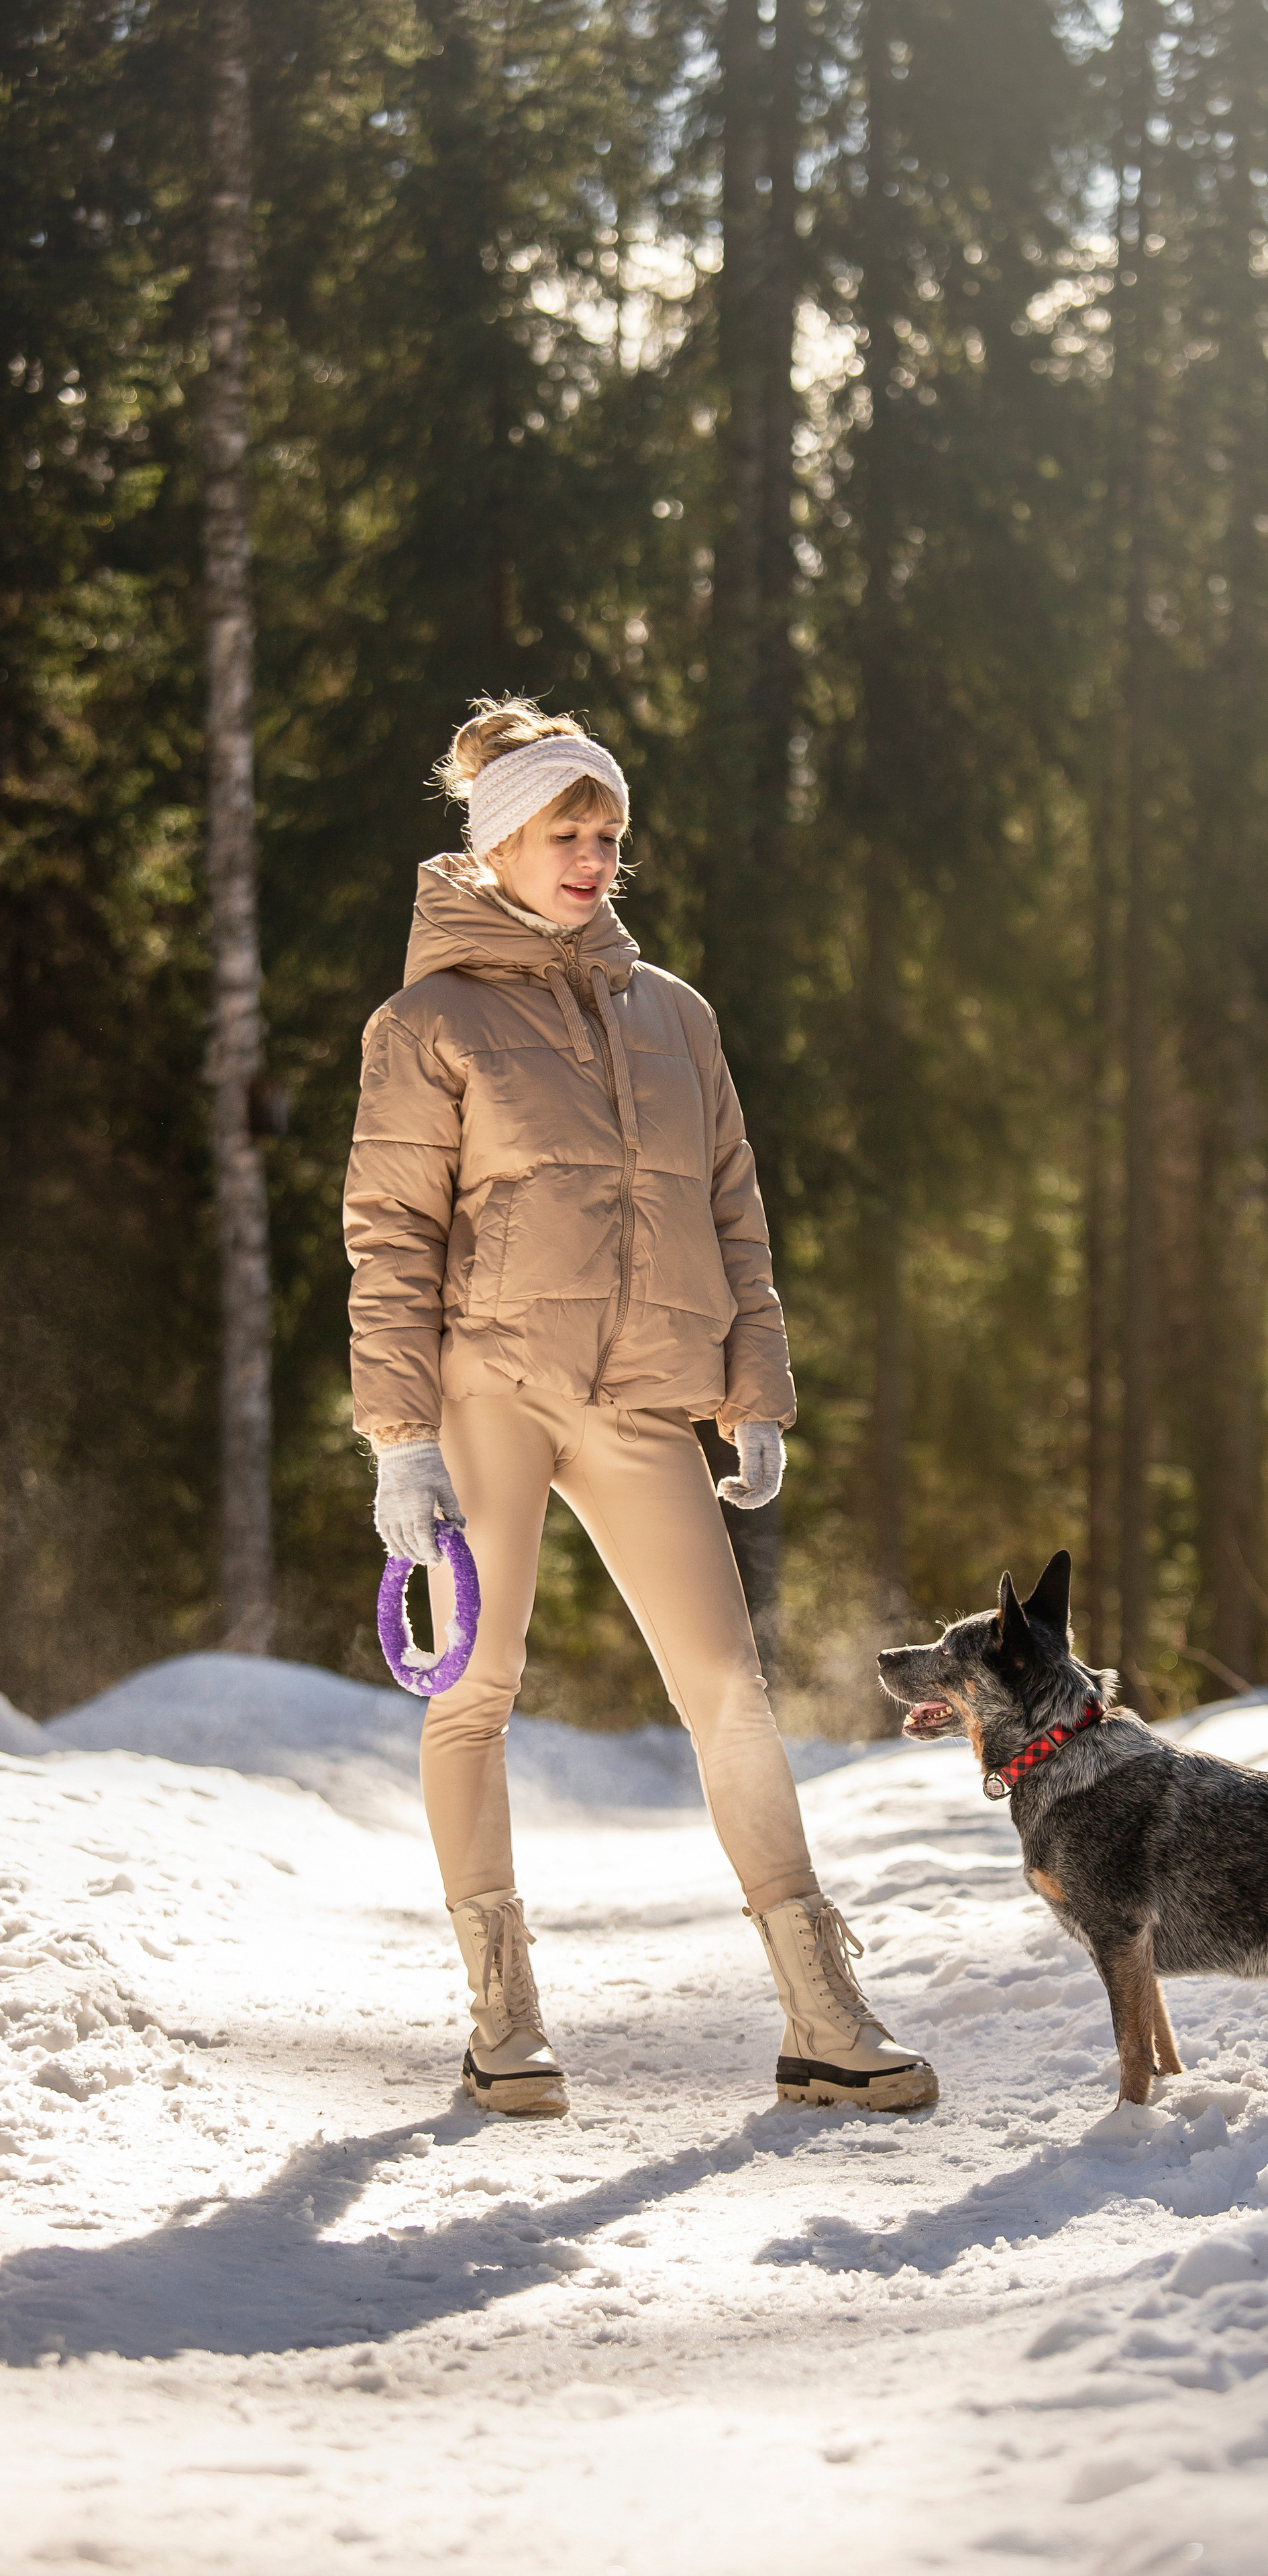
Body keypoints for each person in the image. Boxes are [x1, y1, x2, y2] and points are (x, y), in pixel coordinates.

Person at [343, 698, 937, 2120]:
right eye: (568, 833)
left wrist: (754, 1391)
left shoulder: (674, 1015)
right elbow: (387, 1238)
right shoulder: (427, 1024)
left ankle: (818, 2011)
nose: (596, 857)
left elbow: (731, 1207)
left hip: (642, 1405)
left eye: (609, 834)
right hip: (488, 1391)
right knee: (476, 1694)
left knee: (729, 1687)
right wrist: (402, 1438)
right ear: (499, 846)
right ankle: (503, 2018)